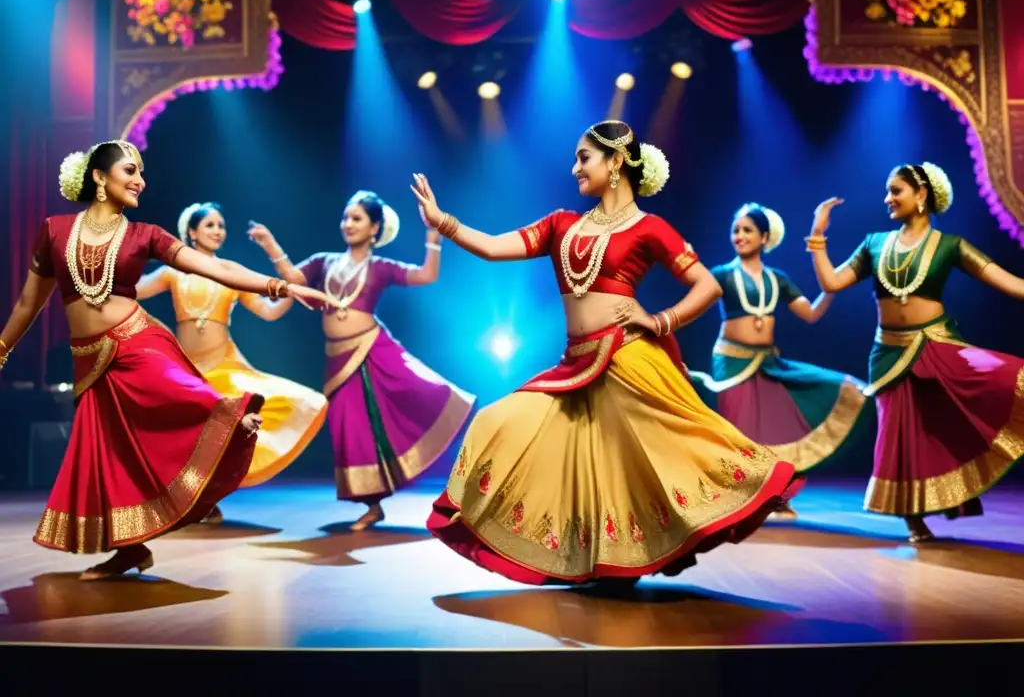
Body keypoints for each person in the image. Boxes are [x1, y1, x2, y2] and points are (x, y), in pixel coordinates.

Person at [413, 120, 800, 588]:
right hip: (575, 362)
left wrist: (660, 322)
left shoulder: (650, 228)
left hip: (628, 358)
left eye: (584, 157)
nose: (574, 166)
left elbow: (708, 285)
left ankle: (623, 563)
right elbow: (496, 249)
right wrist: (443, 223)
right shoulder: (562, 224)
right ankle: (604, 558)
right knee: (500, 422)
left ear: (616, 162)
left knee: (636, 462)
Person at [0, 140, 333, 580]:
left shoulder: (146, 235)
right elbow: (28, 303)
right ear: (99, 177)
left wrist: (282, 288)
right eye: (130, 170)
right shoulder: (55, 230)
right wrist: (2, 350)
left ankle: (231, 420)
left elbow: (218, 270)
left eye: (142, 172)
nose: (140, 180)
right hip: (89, 356)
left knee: (182, 393)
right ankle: (131, 550)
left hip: (137, 341)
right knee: (107, 454)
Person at [807, 162, 1024, 542]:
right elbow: (831, 282)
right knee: (900, 436)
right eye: (888, 191)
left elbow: (1011, 284)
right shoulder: (874, 244)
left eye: (896, 191)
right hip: (889, 353)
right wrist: (818, 234)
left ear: (921, 195)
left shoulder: (951, 245)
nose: (887, 198)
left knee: (982, 396)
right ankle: (913, 521)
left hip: (938, 345)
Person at [247, 190, 475, 530]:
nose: (348, 224)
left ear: (374, 228)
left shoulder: (380, 267)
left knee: (419, 397)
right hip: (338, 359)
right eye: (345, 218)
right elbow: (294, 280)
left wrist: (433, 235)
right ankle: (372, 505)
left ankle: (458, 477)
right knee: (349, 428)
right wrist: (270, 245)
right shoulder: (324, 261)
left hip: (373, 349)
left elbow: (426, 276)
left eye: (357, 219)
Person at [136, 202, 329, 524]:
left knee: (229, 429)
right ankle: (182, 501)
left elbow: (267, 311)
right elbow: (133, 291)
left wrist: (292, 295)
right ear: (192, 232)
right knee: (183, 435)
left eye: (221, 226)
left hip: (225, 366)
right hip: (186, 370)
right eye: (210, 225)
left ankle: (207, 501)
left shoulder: (230, 271)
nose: (217, 231)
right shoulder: (172, 270)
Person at [689, 203, 870, 518]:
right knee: (739, 432)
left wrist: (832, 287)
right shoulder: (721, 274)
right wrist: (686, 262)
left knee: (777, 429)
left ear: (764, 237)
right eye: (736, 230)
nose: (739, 236)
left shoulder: (778, 279)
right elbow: (694, 296)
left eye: (747, 230)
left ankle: (774, 496)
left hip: (768, 363)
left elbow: (811, 314)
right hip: (732, 363)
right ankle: (736, 501)